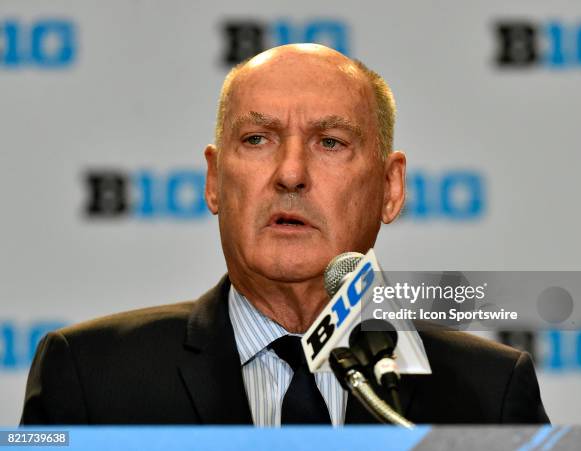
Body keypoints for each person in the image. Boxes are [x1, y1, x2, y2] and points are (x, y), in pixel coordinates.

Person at [21, 43, 549, 425]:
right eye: (257, 138)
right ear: (213, 182)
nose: (291, 173)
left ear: (390, 188)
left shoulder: (488, 394)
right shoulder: (91, 377)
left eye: (330, 142)